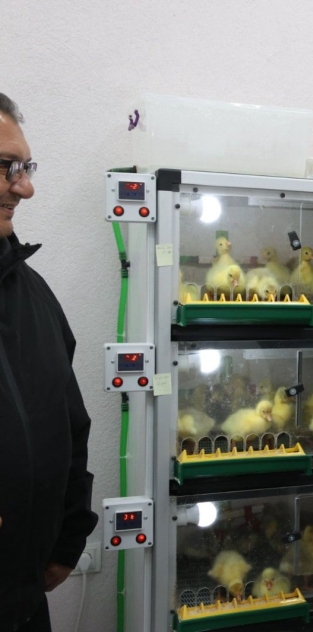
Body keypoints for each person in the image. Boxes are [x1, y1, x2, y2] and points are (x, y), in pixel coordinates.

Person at [0, 93, 98, 632]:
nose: (25, 187)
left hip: (23, 596)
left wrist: (67, 540)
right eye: (7, 167)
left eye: (26, 168)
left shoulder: (32, 294)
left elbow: (70, 425)